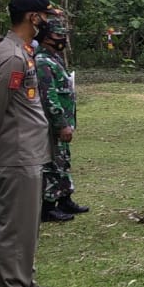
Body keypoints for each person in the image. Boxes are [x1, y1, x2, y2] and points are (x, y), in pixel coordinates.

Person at [0, 0, 60, 287]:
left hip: (29, 150)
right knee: (14, 228)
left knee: (27, 226)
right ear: (32, 17)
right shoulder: (12, 55)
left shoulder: (22, 50)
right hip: (16, 151)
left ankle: (25, 285)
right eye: (45, 15)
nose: (48, 21)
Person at [34, 16, 86, 223]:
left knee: (63, 161)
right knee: (52, 164)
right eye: (58, 35)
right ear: (46, 37)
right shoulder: (41, 61)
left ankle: (65, 198)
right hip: (52, 123)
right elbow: (49, 96)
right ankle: (48, 207)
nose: (62, 39)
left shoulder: (54, 58)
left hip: (63, 120)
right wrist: (61, 123)